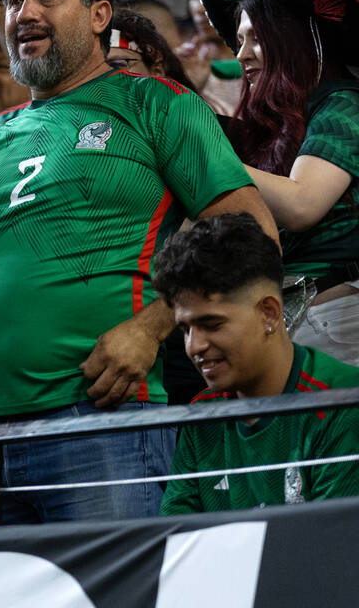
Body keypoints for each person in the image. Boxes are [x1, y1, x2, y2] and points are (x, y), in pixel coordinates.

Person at [0, 0, 278, 524]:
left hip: (103, 419)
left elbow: (253, 235)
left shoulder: (156, 104)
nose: (25, 13)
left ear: (98, 14)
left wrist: (151, 329)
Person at [192, 0, 359, 364]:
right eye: (239, 40)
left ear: (294, 39)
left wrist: (201, 151)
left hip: (340, 323)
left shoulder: (344, 103)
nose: (241, 55)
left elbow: (304, 204)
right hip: (289, 324)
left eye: (254, 38)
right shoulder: (281, 122)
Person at [153, 213, 359, 514]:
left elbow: (332, 552)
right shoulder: (201, 417)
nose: (194, 346)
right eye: (185, 330)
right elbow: (177, 544)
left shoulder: (343, 405)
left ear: (269, 313)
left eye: (211, 324)